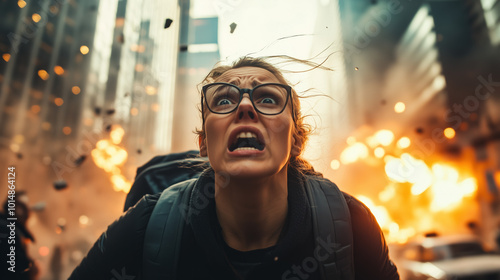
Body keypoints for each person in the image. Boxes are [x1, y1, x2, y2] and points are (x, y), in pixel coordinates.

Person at [69, 56, 400, 280]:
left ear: (296, 141)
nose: (244, 106)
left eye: (268, 98)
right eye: (224, 100)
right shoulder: (143, 229)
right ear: (204, 144)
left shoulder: (352, 226)